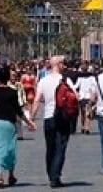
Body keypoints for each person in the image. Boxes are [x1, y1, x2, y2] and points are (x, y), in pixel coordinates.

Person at [0, 65, 37, 188]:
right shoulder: (12, 92)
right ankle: (11, 175)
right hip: (9, 124)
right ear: (8, 79)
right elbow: (18, 111)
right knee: (10, 149)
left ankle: (0, 177)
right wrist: (29, 122)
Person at [30, 53, 75, 189]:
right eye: (63, 63)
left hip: (48, 117)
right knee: (60, 147)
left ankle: (51, 174)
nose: (65, 66)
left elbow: (37, 100)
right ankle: (55, 177)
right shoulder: (65, 80)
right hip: (62, 117)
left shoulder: (43, 81)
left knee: (50, 148)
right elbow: (75, 96)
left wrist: (32, 117)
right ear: (59, 65)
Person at [74, 61, 96, 135]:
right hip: (83, 96)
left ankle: (86, 127)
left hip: (86, 96)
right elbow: (76, 86)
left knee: (86, 112)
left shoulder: (89, 77)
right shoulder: (82, 77)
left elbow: (94, 86)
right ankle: (84, 126)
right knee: (84, 113)